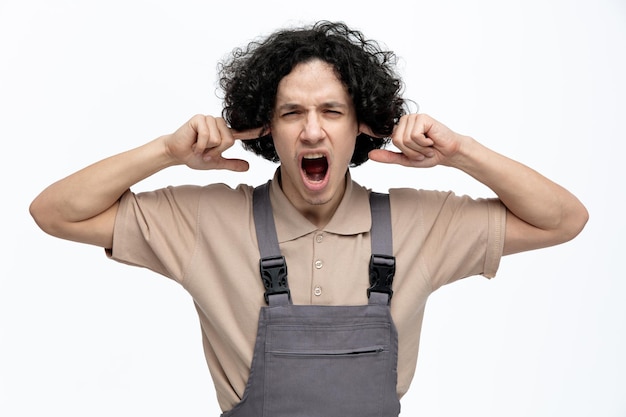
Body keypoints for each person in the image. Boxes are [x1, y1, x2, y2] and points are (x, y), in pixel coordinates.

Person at [30, 20, 588, 416]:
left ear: (362, 127)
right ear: (266, 129)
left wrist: (461, 151)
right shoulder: (205, 219)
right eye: (292, 112)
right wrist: (166, 152)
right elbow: (53, 212)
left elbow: (563, 220)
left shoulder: (421, 221)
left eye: (333, 112)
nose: (313, 130)